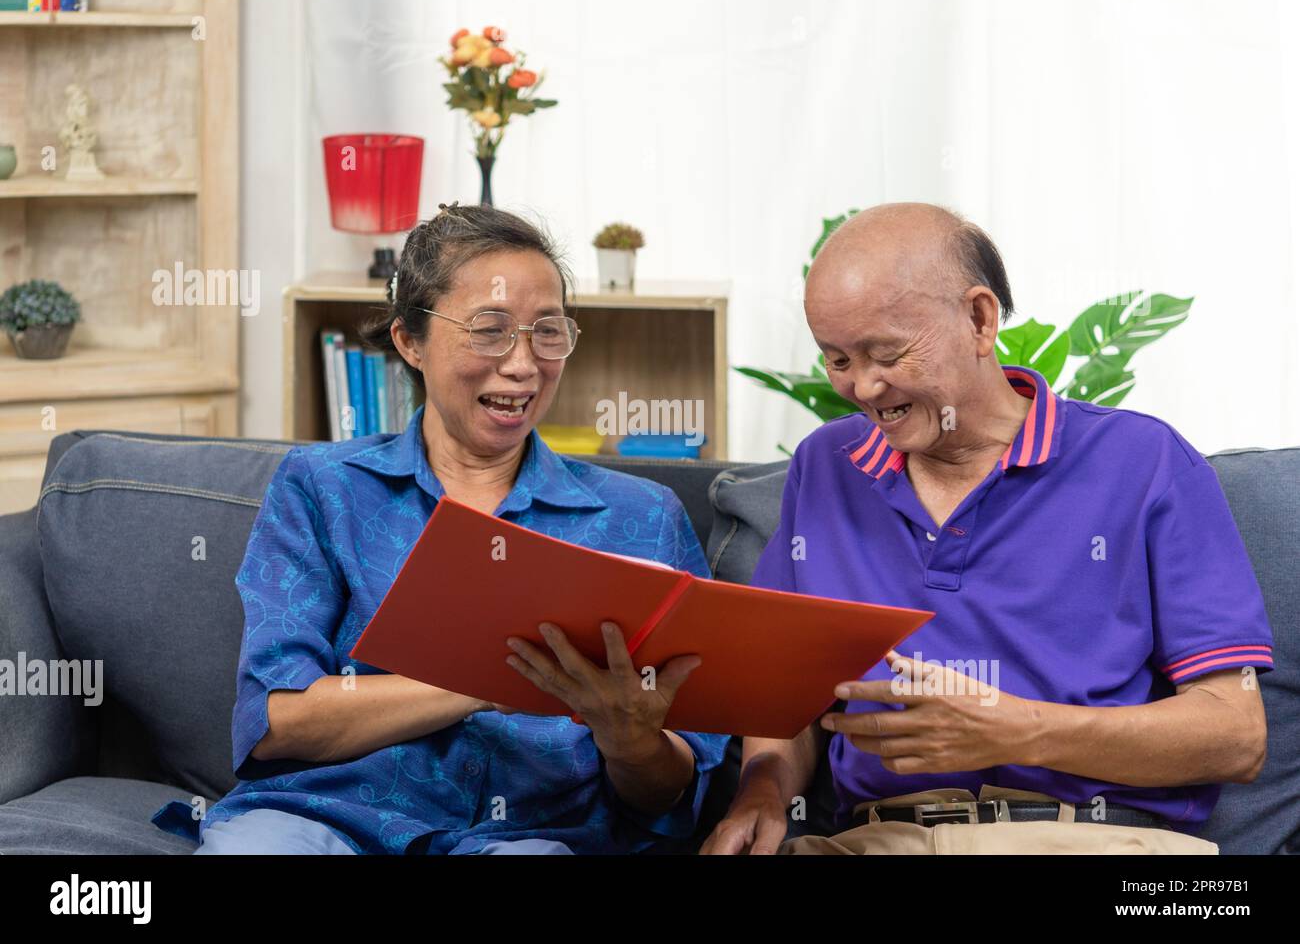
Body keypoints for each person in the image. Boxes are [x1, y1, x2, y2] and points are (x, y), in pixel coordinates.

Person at [152, 203, 726, 854]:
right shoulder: (322, 486)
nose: (522, 365)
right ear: (410, 341)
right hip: (324, 818)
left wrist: (630, 740)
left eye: (547, 331)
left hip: (532, 835)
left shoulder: (641, 517)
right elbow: (277, 719)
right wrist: (484, 681)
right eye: (489, 330)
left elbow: (675, 789)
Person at [702, 203, 1272, 855]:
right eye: (836, 358)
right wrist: (765, 789)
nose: (861, 385)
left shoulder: (1145, 462)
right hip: (879, 841)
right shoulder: (824, 470)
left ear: (979, 318)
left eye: (885, 352)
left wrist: (1019, 729)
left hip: (1092, 841)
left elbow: (1236, 732)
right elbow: (784, 701)